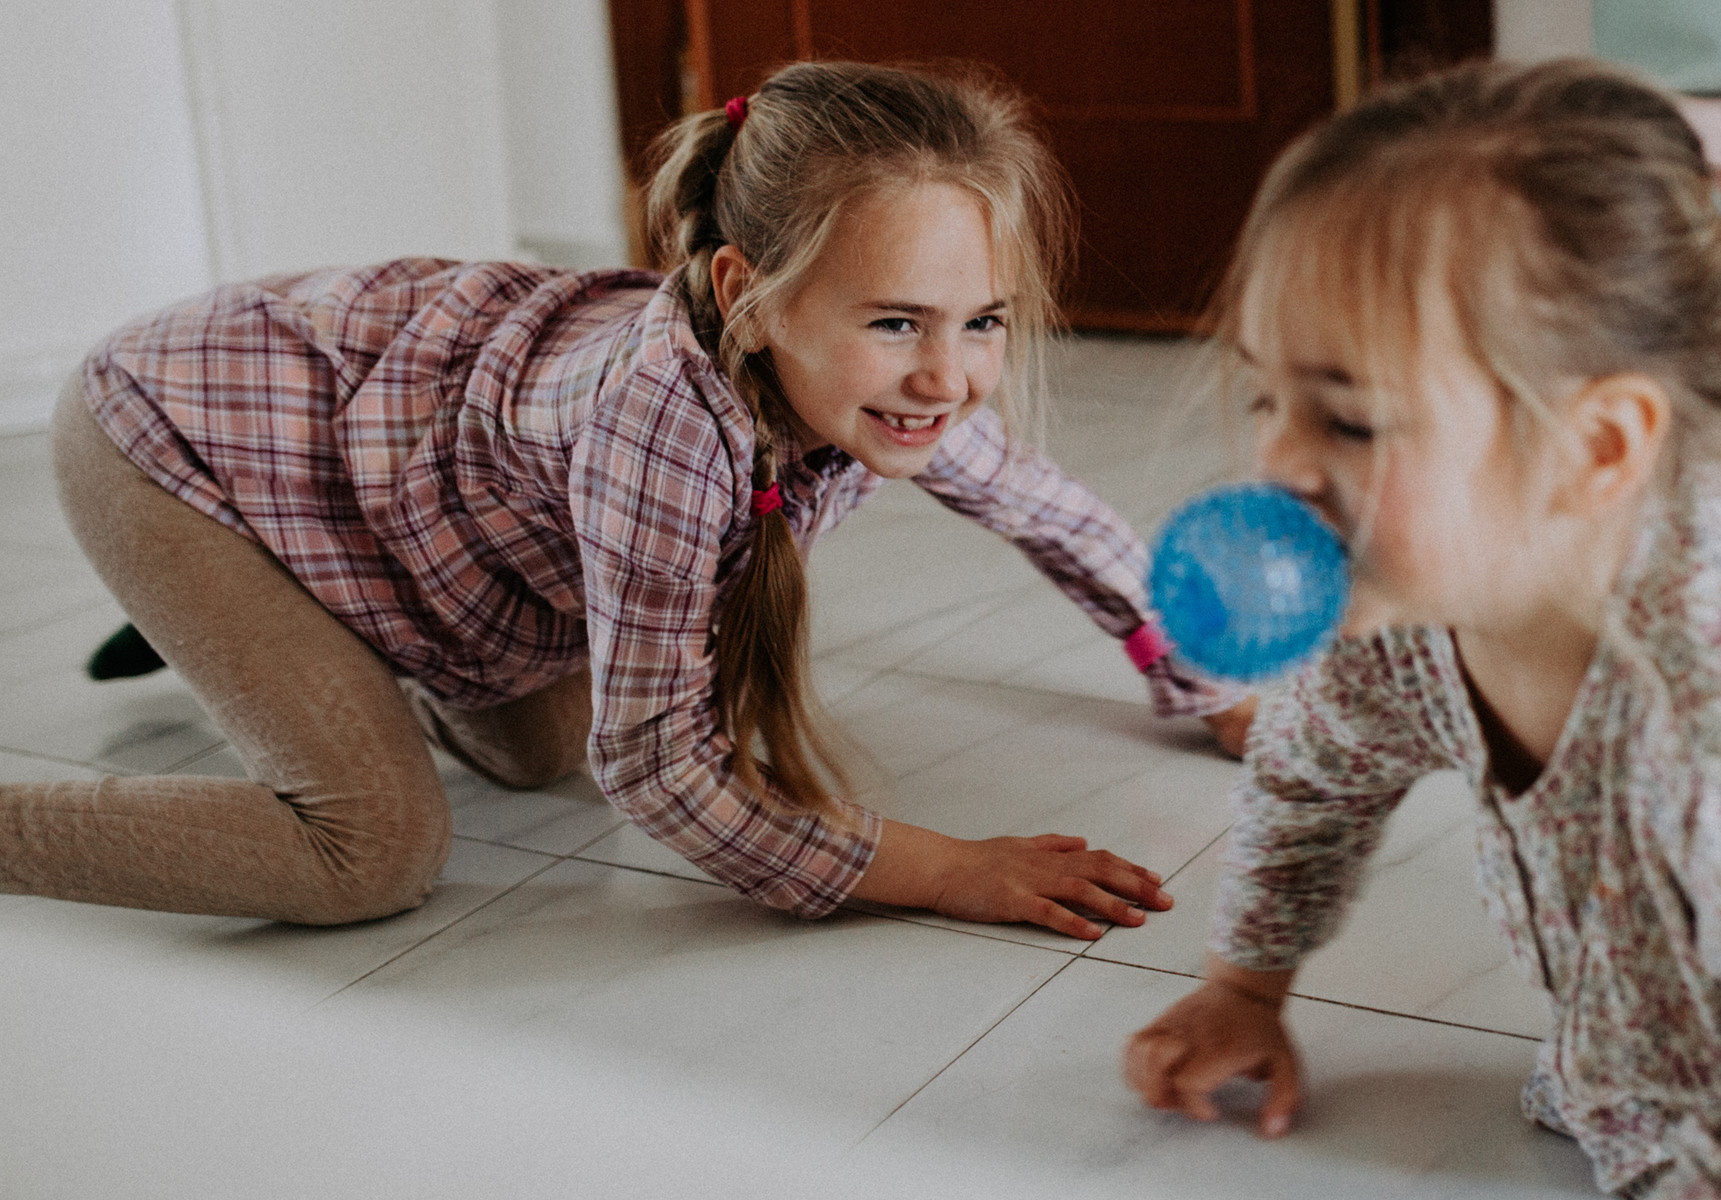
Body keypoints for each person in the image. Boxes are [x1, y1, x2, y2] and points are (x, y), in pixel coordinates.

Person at [2, 61, 1253, 939]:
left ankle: (293, 617)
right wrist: (932, 870)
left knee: (540, 752)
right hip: (182, 434)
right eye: (897, 322)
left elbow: (1052, 510)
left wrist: (1206, 687)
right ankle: (230, 603)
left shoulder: (881, 388)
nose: (950, 374)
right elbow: (657, 770)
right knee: (370, 851)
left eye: (982, 321)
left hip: (381, 486)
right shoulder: (659, 428)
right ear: (749, 294)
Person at [1122, 59, 1721, 1199]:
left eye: (1347, 419)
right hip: (1643, 1092)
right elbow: (1310, 781)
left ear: (1593, 450)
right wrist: (1246, 988)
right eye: (1266, 399)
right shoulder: (1404, 609)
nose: (1279, 463)